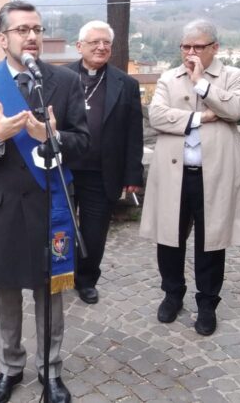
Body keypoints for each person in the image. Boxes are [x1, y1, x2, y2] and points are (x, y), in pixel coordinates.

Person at [0, 0, 89, 403]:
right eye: (21, 30)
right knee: (7, 292)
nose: (31, 36)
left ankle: (50, 371)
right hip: (1, 209)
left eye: (36, 28)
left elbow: (83, 143)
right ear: (2, 38)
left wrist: (52, 136)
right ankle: (10, 367)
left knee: (50, 292)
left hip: (50, 207)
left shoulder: (64, 82)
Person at [139, 19, 240, 336]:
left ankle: (207, 304)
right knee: (169, 238)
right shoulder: (168, 78)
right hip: (174, 173)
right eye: (185, 47)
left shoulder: (232, 76)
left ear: (214, 48)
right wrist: (202, 116)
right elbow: (157, 116)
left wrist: (202, 84)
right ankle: (172, 294)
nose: (190, 53)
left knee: (211, 242)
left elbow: (236, 109)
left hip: (214, 174)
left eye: (198, 47)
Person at [65, 20, 144, 304]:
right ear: (79, 46)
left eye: (106, 43)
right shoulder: (59, 77)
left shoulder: (127, 84)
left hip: (102, 171)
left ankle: (86, 280)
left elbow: (134, 133)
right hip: (65, 169)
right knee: (58, 225)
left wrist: (133, 174)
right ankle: (56, 274)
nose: (101, 47)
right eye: (94, 42)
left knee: (94, 232)